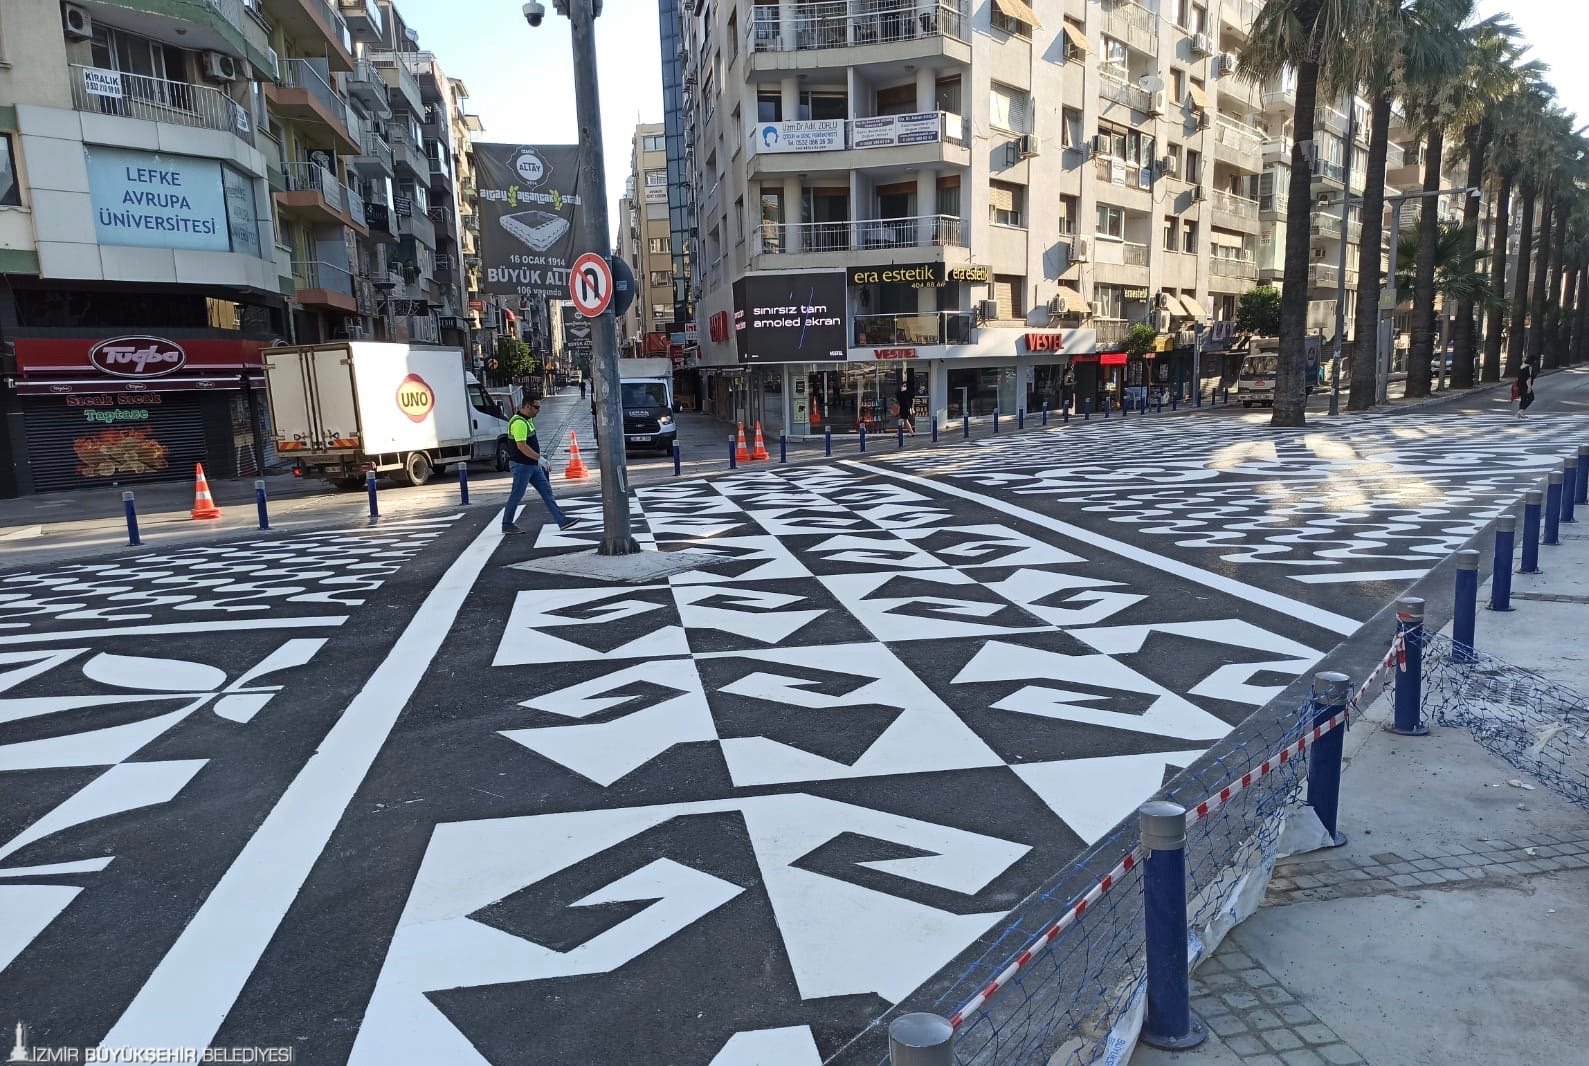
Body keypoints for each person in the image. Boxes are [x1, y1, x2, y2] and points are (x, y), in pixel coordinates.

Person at [502, 396, 577, 535]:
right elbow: (521, 446)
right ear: (527, 406)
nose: (538, 410)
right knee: (517, 494)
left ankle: (562, 520)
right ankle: (507, 524)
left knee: (546, 491)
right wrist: (540, 459)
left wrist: (538, 460)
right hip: (522, 465)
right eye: (536, 407)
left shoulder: (527, 420)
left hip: (531, 464)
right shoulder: (519, 423)